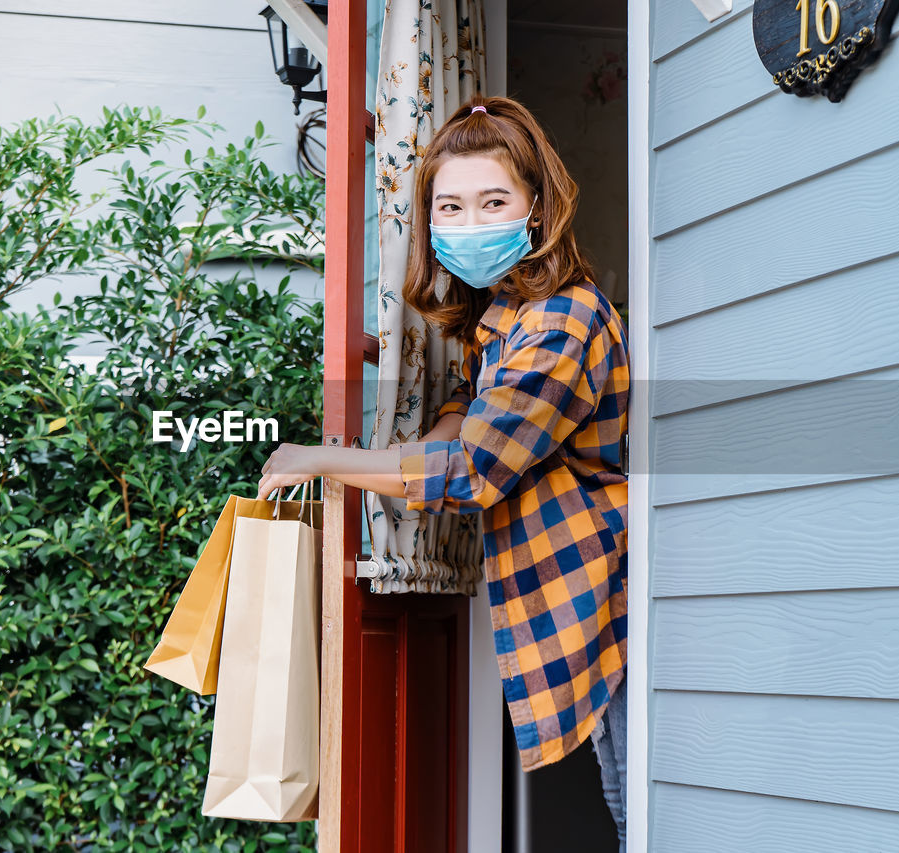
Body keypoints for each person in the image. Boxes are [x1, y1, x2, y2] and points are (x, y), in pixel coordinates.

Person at [256, 94, 630, 849]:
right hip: (570, 605)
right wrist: (438, 427)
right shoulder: (504, 320)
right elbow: (468, 410)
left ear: (537, 209)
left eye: (493, 201)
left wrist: (319, 456)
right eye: (450, 207)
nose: (469, 223)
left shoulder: (564, 318)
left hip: (605, 604)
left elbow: (469, 469)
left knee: (637, 808)